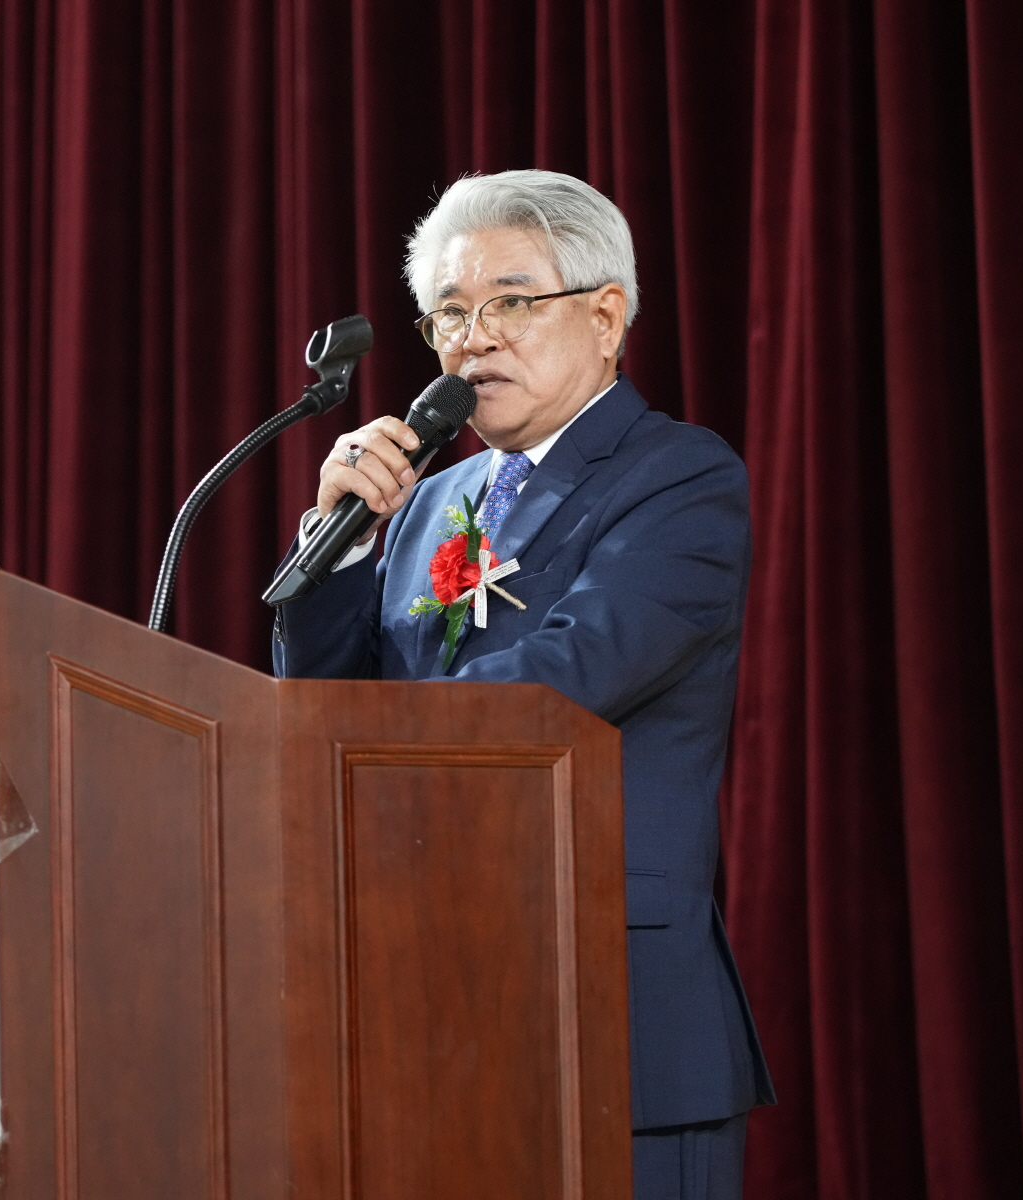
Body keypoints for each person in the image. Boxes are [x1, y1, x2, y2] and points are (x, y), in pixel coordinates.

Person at [272, 170, 774, 1200]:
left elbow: (562, 678)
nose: (474, 336)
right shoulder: (424, 499)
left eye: (509, 301)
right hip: (419, 1014)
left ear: (604, 317)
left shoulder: (680, 478)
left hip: (606, 1011)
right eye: (450, 313)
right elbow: (311, 715)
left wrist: (356, 739)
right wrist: (334, 545)